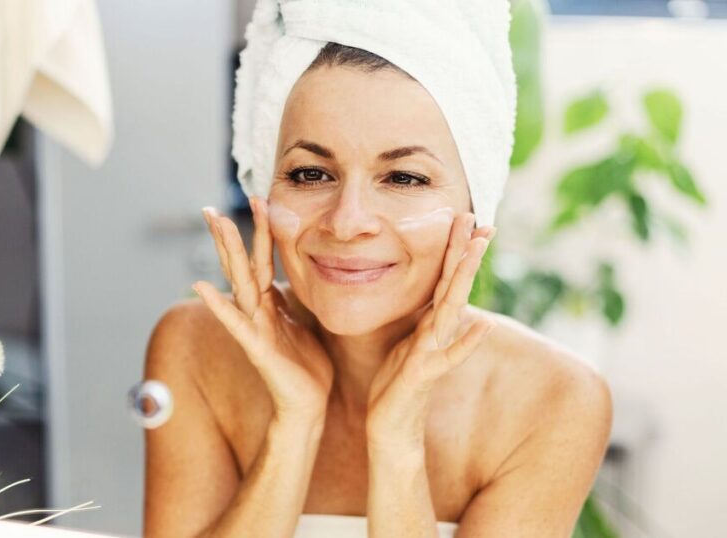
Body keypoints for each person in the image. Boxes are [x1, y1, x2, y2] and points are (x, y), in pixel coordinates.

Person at [142, 3, 612, 537]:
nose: (347, 223)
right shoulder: (196, 350)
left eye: (404, 178)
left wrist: (397, 440)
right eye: (311, 173)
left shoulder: (553, 398)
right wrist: (294, 424)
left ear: (475, 206)